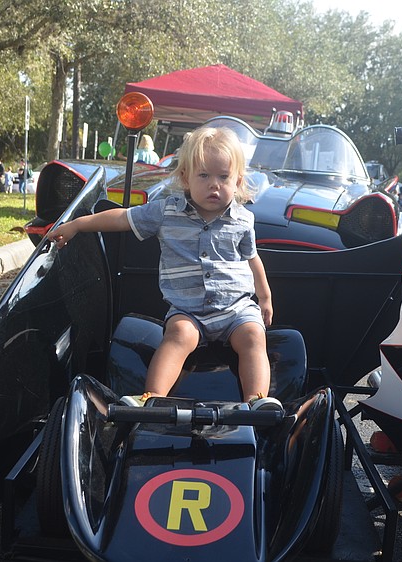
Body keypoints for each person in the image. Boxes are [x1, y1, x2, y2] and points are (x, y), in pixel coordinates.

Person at [47, 126, 281, 411]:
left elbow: (252, 258)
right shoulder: (166, 211)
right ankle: (152, 397)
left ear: (238, 181)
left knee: (254, 336)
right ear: (185, 177)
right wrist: (77, 225)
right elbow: (122, 218)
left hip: (236, 308)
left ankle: (256, 401)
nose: (214, 185)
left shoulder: (243, 219)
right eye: (204, 175)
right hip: (188, 311)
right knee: (177, 336)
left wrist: (265, 298)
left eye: (223, 177)